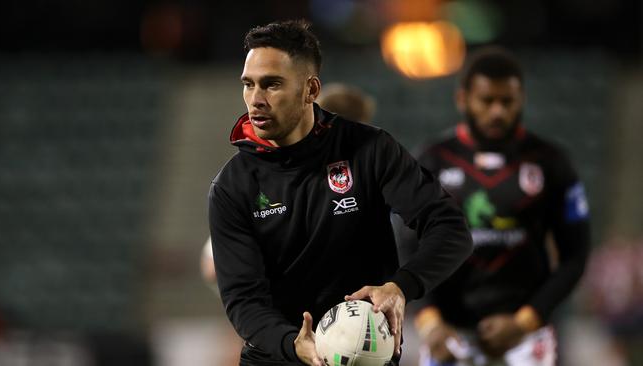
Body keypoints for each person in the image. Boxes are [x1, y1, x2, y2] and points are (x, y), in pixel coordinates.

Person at [208, 20, 472, 366]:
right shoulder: (232, 186)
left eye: (272, 85)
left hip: (367, 355)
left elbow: (451, 230)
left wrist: (400, 287)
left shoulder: (369, 149)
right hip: (279, 357)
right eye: (249, 84)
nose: (255, 99)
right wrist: (294, 344)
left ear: (311, 89)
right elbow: (243, 300)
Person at [396, 47, 591, 366]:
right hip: (448, 332)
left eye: (507, 101)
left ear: (521, 99)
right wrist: (430, 322)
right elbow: (406, 247)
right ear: (463, 99)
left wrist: (524, 322)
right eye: (487, 101)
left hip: (526, 335)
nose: (497, 112)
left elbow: (575, 256)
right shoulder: (431, 161)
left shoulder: (551, 162)